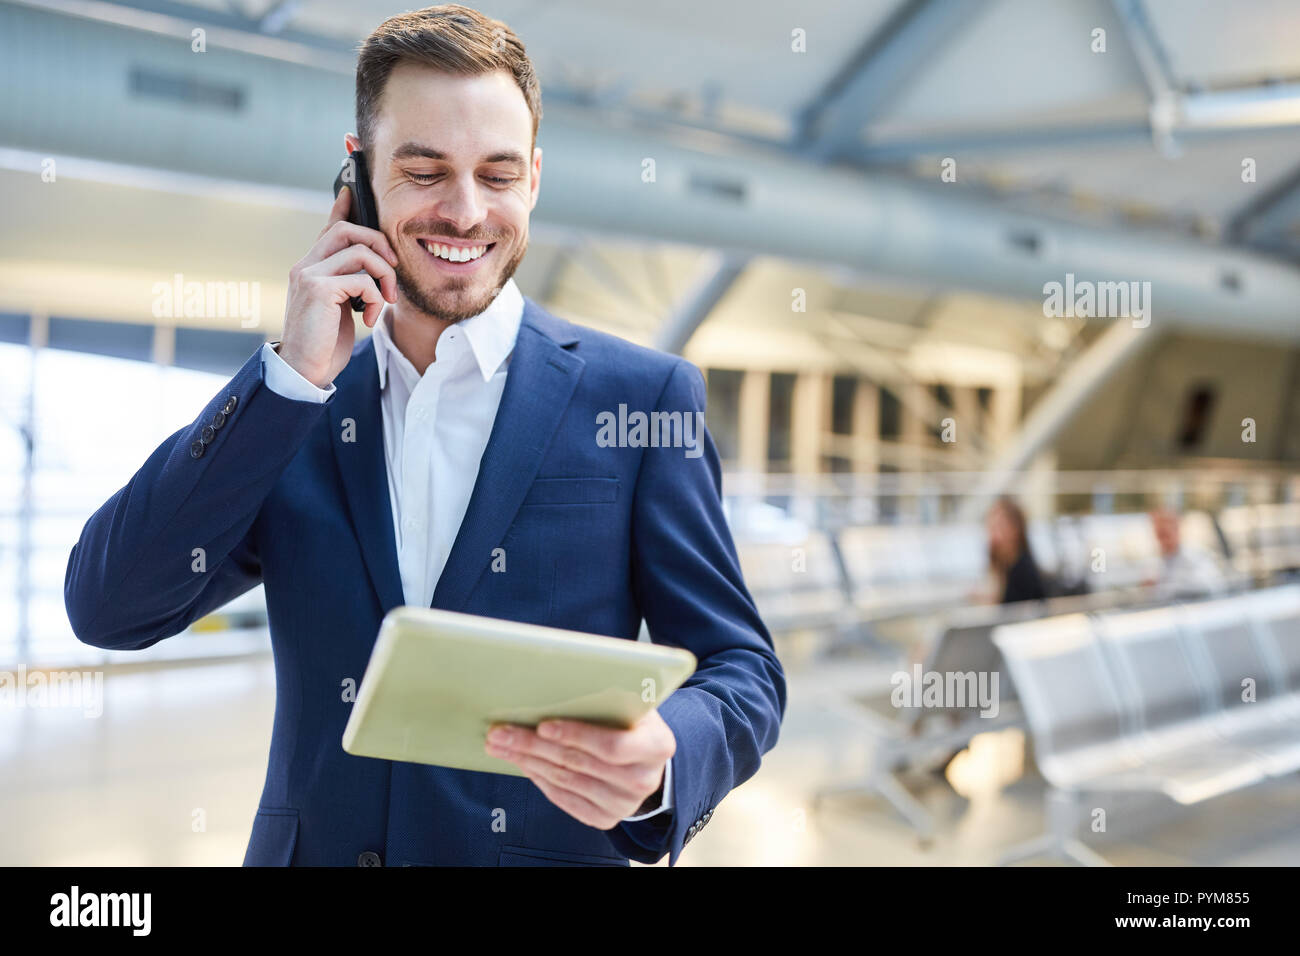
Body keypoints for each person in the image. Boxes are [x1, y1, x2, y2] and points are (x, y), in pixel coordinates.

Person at [64, 4, 784, 867]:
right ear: (358, 176)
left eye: (498, 173)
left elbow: (744, 671)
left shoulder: (643, 397)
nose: (467, 211)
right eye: (425, 170)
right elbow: (109, 607)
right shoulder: (297, 410)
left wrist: (666, 750)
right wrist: (287, 380)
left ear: (536, 180)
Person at [1146, 507, 1230, 599]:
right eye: (1158, 534)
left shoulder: (1195, 555)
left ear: (1176, 529)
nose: (1161, 540)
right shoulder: (1159, 562)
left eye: (1164, 534)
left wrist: (1163, 586)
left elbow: (1211, 586)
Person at [985, 496, 1048, 604]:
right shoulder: (1003, 564)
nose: (994, 534)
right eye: (992, 526)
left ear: (1015, 529)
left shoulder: (1024, 571)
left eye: (1000, 526)